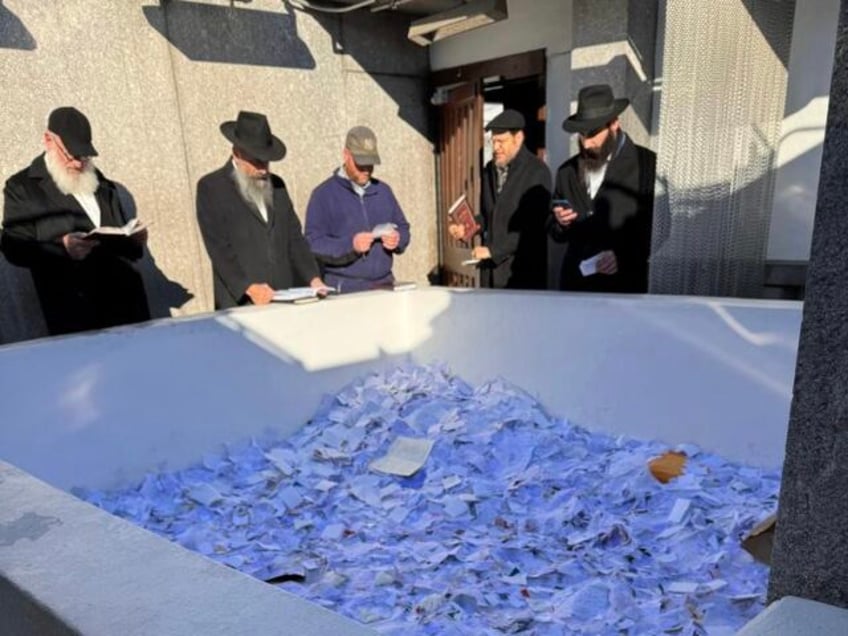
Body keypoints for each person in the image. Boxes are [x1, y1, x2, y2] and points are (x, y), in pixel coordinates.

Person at [1, 106, 150, 336]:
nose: (79, 163)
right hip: (77, 316)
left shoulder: (99, 180)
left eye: (84, 155)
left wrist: (134, 240)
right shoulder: (22, 187)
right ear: (49, 140)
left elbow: (116, 238)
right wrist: (61, 247)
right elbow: (13, 247)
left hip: (127, 310)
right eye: (71, 155)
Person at [196, 111, 327, 309]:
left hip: (284, 297)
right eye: (256, 161)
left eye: (266, 162)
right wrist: (248, 287)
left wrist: (313, 278)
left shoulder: (277, 186)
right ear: (237, 153)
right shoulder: (212, 188)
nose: (263, 169)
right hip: (242, 302)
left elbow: (294, 238)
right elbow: (218, 249)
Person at [548, 84, 656, 293]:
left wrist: (623, 256)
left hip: (623, 288)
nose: (586, 143)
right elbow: (554, 230)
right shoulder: (566, 172)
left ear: (614, 123)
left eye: (593, 134)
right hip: (576, 288)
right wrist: (560, 222)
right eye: (581, 135)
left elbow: (660, 227)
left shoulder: (647, 164)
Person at [449, 109, 551, 289]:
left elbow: (533, 228)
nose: (495, 148)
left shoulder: (537, 171)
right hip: (490, 273)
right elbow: (489, 216)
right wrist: (468, 228)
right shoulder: (490, 169)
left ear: (518, 138)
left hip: (521, 274)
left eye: (501, 142)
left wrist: (492, 251)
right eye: (493, 141)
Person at [304, 126, 410, 293]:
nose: (366, 170)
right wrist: (350, 245)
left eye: (371, 163)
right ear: (346, 155)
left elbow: (403, 227)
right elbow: (313, 243)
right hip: (344, 289)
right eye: (360, 163)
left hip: (385, 286)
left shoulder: (384, 191)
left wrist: (398, 239)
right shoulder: (323, 195)